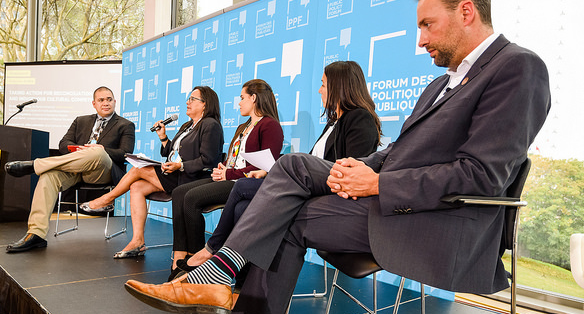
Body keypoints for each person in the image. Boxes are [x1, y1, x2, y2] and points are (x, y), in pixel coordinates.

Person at [124, 0, 551, 314]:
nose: (420, 39)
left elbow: (482, 176)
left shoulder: (518, 68)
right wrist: (363, 168)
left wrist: (379, 184)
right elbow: (398, 152)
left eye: (426, 24)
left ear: (466, 12)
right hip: (391, 201)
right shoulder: (442, 83)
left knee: (288, 216)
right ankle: (223, 280)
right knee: (292, 166)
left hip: (439, 223)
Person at [176, 60, 382, 276]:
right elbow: (312, 161)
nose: (319, 90)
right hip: (306, 187)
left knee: (243, 186)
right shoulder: (333, 122)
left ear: (339, 87)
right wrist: (269, 170)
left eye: (323, 84)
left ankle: (212, 251)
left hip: (326, 198)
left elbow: (349, 172)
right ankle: (237, 279)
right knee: (241, 207)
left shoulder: (360, 119)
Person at [80, 86, 224, 258]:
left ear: (205, 105)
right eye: (188, 98)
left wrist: (181, 166)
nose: (187, 102)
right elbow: (172, 152)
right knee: (137, 187)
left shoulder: (210, 125)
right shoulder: (188, 125)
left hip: (192, 178)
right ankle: (137, 241)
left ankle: (107, 199)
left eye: (192, 99)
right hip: (176, 173)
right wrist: (163, 137)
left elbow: (208, 160)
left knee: (138, 169)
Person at [165, 79, 284, 280]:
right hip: (230, 178)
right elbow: (235, 159)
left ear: (254, 98)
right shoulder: (243, 127)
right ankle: (186, 253)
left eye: (242, 98)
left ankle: (198, 259)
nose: (239, 103)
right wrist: (224, 168)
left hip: (242, 183)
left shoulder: (270, 126)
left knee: (192, 198)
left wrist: (229, 174)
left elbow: (265, 166)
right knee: (179, 193)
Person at [4, 86, 135, 253]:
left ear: (115, 102)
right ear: (94, 104)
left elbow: (125, 154)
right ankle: (36, 234)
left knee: (97, 152)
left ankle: (34, 165)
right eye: (101, 100)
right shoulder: (80, 120)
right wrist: (77, 149)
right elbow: (63, 144)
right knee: (48, 176)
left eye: (109, 99)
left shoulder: (125, 125)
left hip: (102, 172)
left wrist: (101, 149)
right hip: (75, 169)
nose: (106, 103)